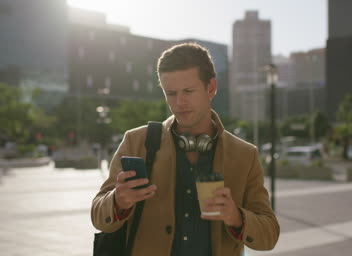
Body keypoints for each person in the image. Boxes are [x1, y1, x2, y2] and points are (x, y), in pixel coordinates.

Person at [91, 43, 279, 256]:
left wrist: (236, 217)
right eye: (170, 93)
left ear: (211, 88)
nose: (179, 102)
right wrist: (117, 201)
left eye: (188, 91)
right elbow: (98, 216)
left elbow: (269, 235)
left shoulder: (245, 155)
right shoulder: (136, 142)